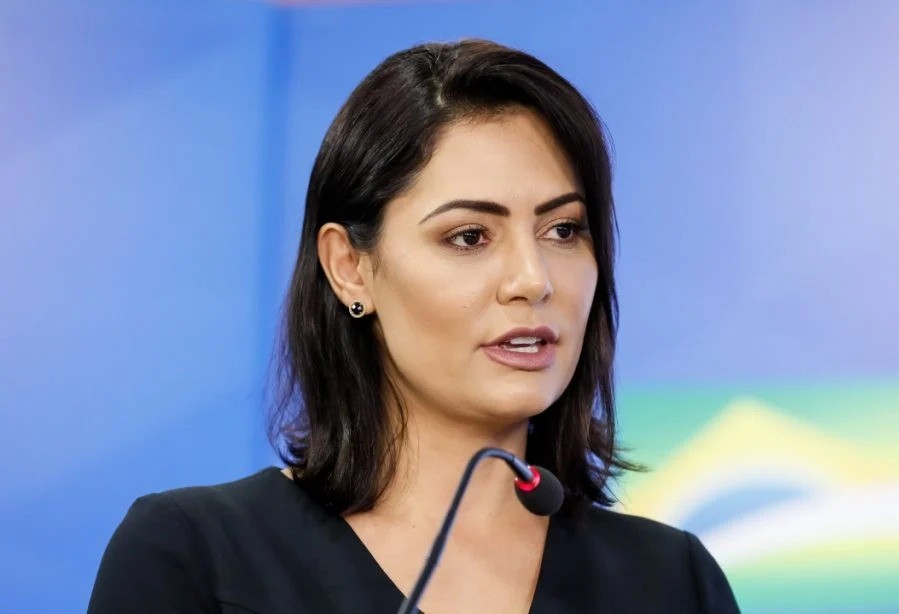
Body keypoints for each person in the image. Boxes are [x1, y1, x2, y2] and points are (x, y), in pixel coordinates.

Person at [88, 39, 740, 613]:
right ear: (350, 268)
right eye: (469, 236)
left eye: (563, 230)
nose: (533, 278)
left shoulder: (672, 580)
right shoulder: (197, 556)